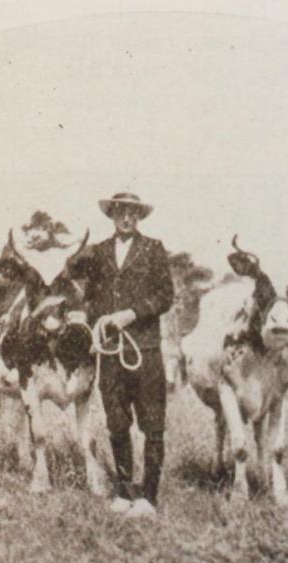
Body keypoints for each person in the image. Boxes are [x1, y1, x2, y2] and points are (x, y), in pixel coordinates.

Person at [78, 192, 174, 517]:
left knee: (152, 424)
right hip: (110, 351)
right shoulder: (100, 252)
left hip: (145, 349)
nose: (127, 218)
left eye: (132, 213)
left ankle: (148, 497)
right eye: (121, 212)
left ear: (140, 217)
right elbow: (90, 298)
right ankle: (123, 490)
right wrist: (98, 323)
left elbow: (165, 297)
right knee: (116, 422)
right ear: (112, 215)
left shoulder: (154, 249)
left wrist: (131, 314)